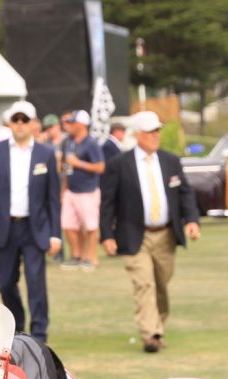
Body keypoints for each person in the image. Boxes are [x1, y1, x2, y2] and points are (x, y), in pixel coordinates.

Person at [99, 110, 201, 354]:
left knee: (161, 285)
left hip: (166, 234)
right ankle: (150, 334)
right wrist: (107, 235)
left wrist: (192, 220)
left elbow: (185, 193)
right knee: (144, 284)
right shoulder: (119, 165)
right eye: (150, 131)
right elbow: (107, 203)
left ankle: (158, 326)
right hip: (135, 235)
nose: (156, 135)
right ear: (137, 135)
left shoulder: (170, 161)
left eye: (157, 130)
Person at [0, 100, 62, 341]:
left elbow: (53, 197)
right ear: (9, 123)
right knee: (5, 283)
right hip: (4, 227)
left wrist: (55, 234)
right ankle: (17, 328)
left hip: (35, 228)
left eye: (25, 120)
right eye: (16, 120)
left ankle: (40, 332)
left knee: (36, 282)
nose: (20, 124)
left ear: (34, 124)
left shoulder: (46, 154)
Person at [59, 110, 105, 271]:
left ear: (81, 124)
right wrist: (63, 189)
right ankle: (76, 255)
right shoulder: (69, 142)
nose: (68, 126)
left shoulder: (91, 143)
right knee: (68, 224)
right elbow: (65, 168)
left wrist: (79, 163)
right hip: (71, 190)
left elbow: (100, 167)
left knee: (90, 226)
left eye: (72, 123)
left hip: (88, 190)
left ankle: (91, 257)